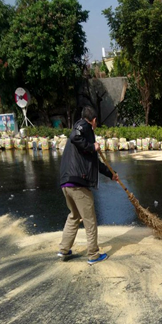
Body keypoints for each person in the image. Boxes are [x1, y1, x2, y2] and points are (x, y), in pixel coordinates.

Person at [58, 106, 118, 265]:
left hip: (66, 183)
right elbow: (74, 136)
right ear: (94, 121)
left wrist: (111, 174)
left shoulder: (83, 140)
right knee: (89, 220)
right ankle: (93, 254)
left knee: (74, 216)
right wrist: (93, 146)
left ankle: (64, 249)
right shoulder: (83, 127)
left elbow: (94, 163)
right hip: (78, 184)